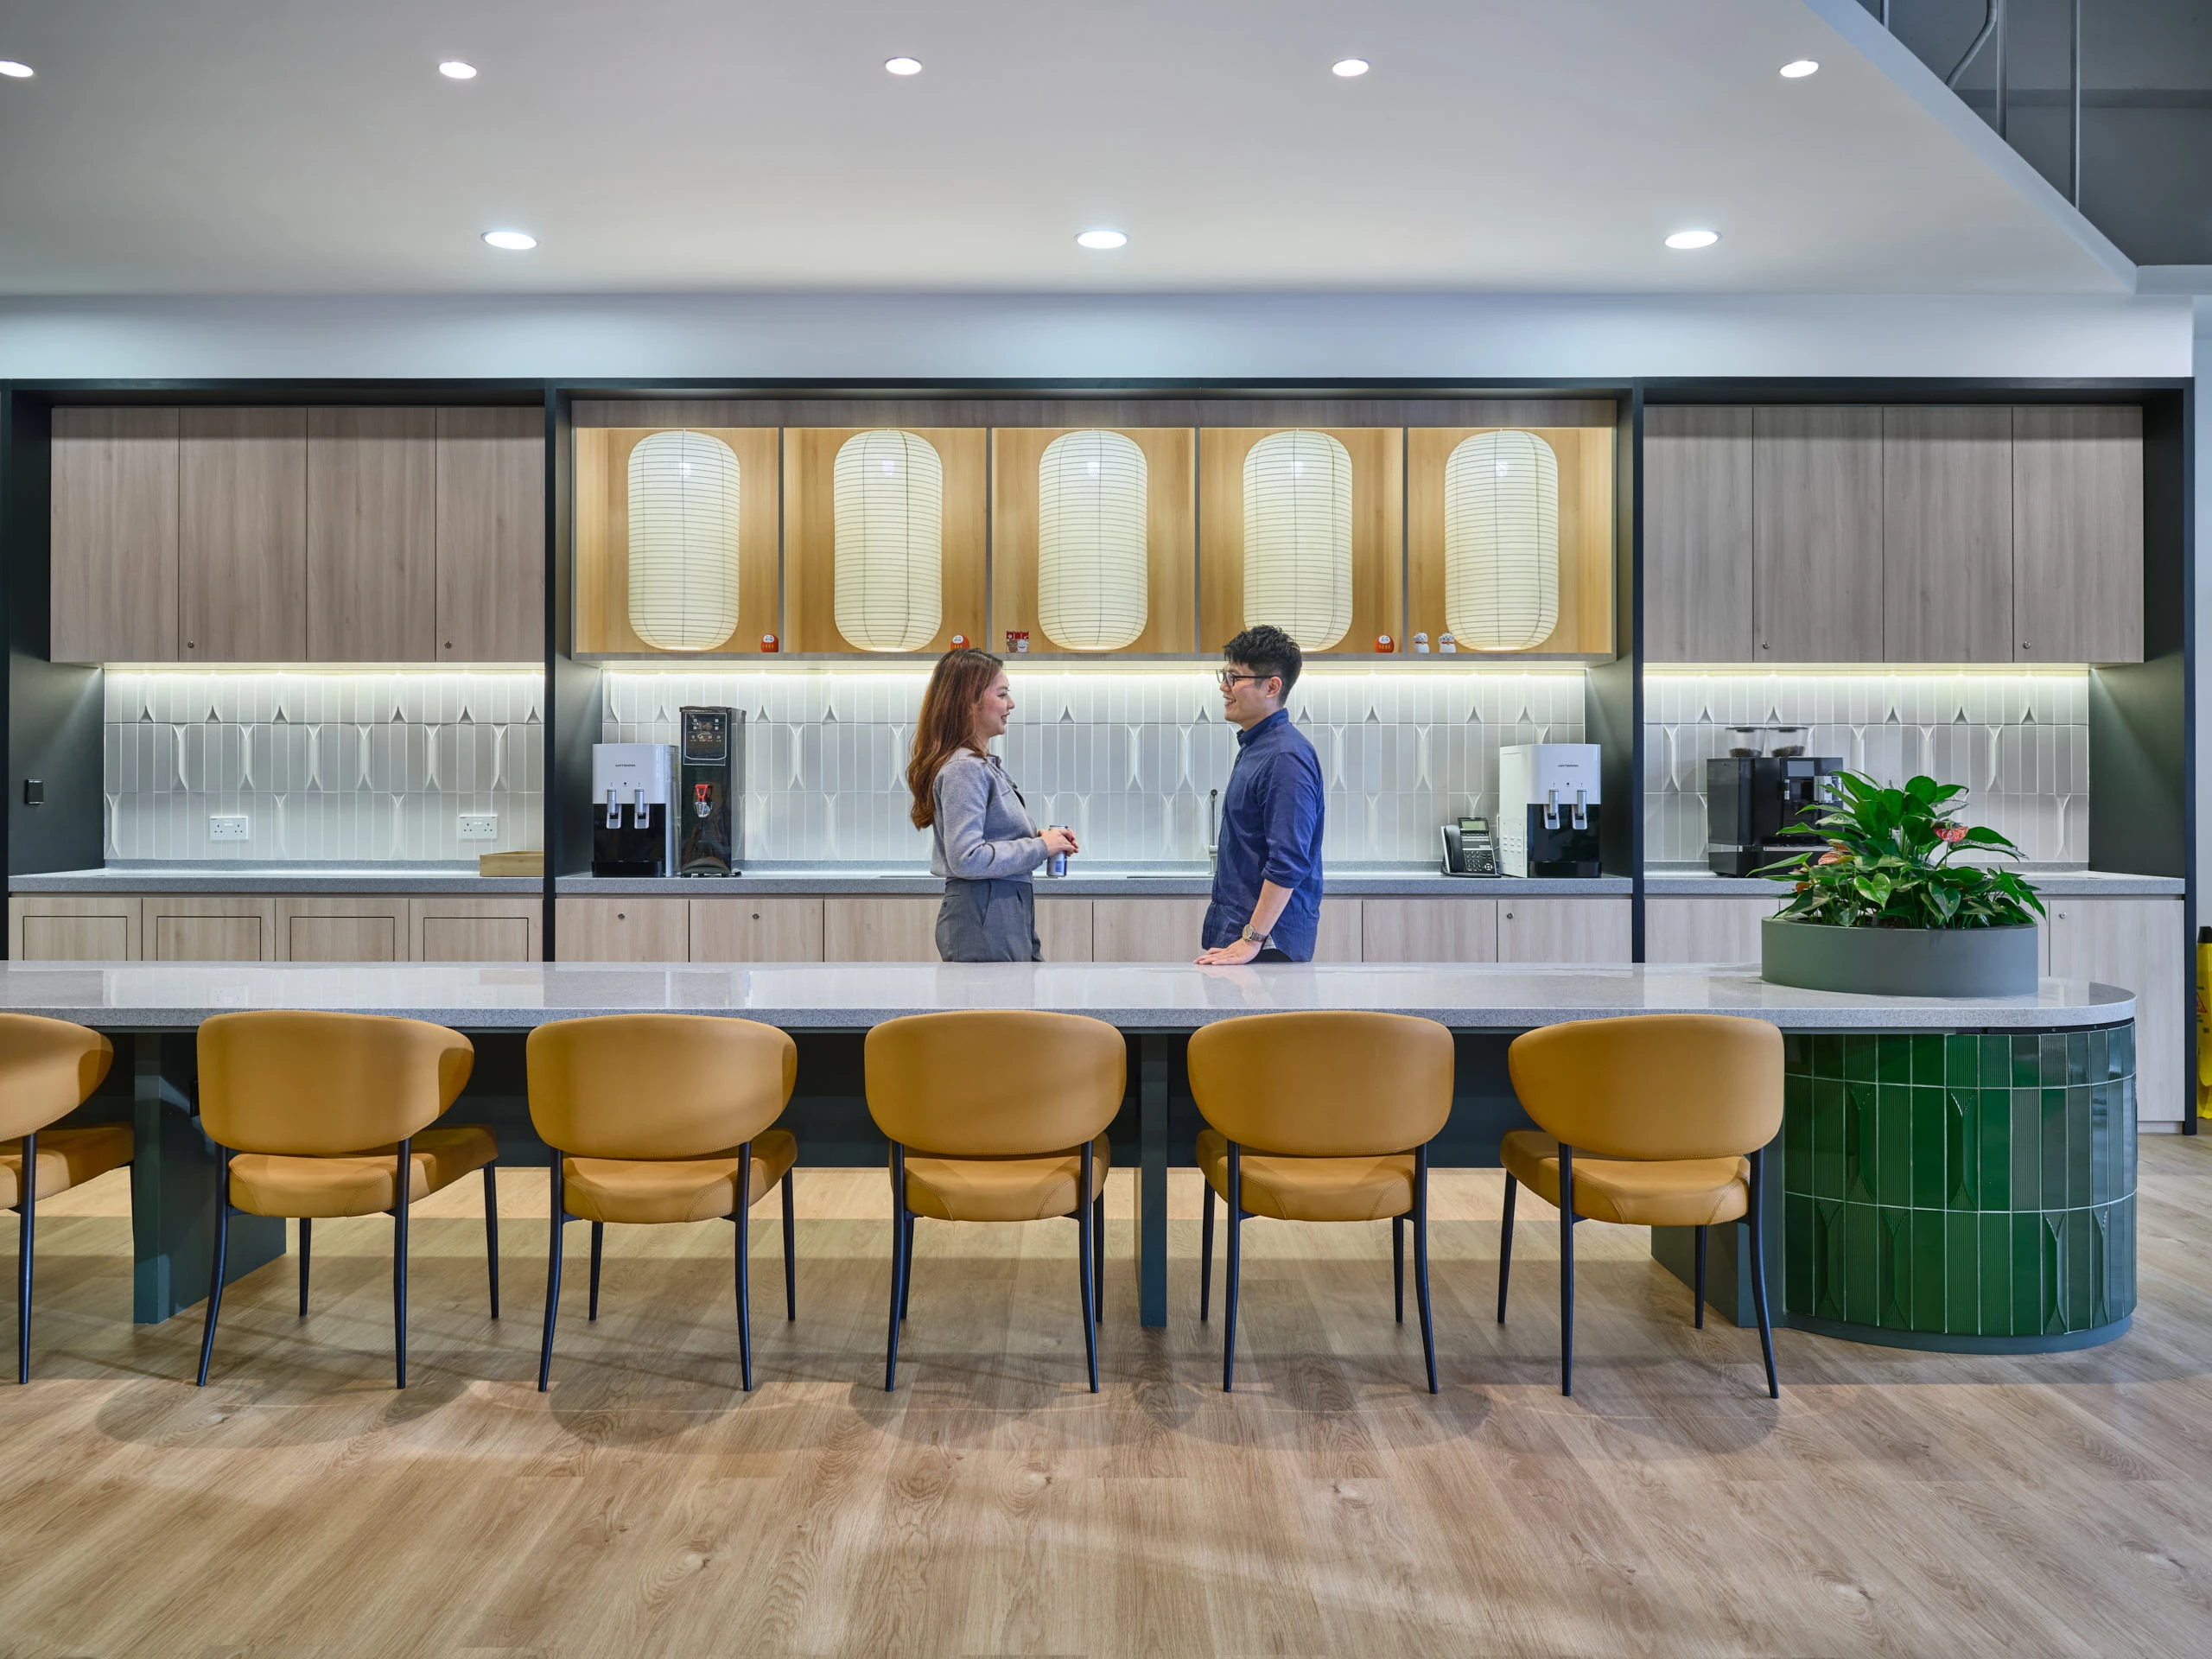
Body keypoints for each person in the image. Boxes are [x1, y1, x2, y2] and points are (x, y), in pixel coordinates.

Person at [906, 647, 1079, 963]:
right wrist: (1041, 847)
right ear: (969, 702)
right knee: (996, 1008)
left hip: (999, 909)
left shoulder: (979, 765)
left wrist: (1041, 840)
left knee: (1013, 1004)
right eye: (1002, 694)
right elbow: (967, 858)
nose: (1010, 704)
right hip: (985, 913)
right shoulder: (965, 768)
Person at [1197, 624, 1325, 965]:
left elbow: (1288, 862)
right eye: (1224, 676)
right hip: (1246, 940)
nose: (1224, 688)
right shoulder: (1259, 747)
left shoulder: (1285, 757)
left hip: (1268, 947)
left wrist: (1253, 938)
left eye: (1235, 678)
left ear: (1272, 686)